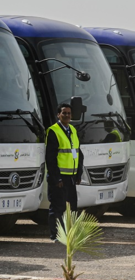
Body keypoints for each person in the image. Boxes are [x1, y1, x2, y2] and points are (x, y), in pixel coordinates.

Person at [46, 103, 84, 242]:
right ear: (58, 115)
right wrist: (57, 179)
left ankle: (69, 235)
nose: (67, 115)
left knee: (72, 208)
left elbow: (79, 153)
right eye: (64, 113)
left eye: (69, 113)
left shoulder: (72, 129)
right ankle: (55, 236)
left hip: (71, 177)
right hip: (59, 178)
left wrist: (79, 173)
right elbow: (50, 158)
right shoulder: (53, 131)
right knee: (57, 207)